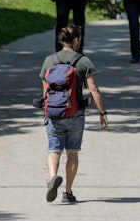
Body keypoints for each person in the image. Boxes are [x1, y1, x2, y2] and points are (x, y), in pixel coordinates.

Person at [39, 25, 109, 203]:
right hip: (75, 113)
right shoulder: (83, 61)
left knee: (54, 151)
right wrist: (102, 112)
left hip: (53, 113)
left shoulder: (49, 61)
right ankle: (67, 192)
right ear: (76, 40)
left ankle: (53, 177)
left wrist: (47, 112)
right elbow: (93, 88)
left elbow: (45, 91)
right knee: (72, 153)